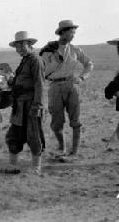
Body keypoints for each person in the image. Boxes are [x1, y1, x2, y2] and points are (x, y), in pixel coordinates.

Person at [40, 20, 94, 157]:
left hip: (72, 86)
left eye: (74, 32)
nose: (73, 35)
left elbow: (89, 64)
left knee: (76, 121)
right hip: (55, 87)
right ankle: (61, 147)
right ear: (62, 32)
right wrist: (56, 58)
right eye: (71, 32)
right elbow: (44, 72)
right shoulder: (48, 50)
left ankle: (74, 152)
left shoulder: (76, 50)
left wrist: (82, 78)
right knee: (56, 123)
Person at [6, 31, 46, 174]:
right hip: (20, 105)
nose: (19, 49)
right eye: (17, 46)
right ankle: (13, 165)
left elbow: (40, 84)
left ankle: (36, 167)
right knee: (14, 134)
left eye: (22, 45)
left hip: (31, 104)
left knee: (33, 135)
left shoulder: (36, 60)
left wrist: (38, 105)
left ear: (29, 44)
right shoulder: (25, 60)